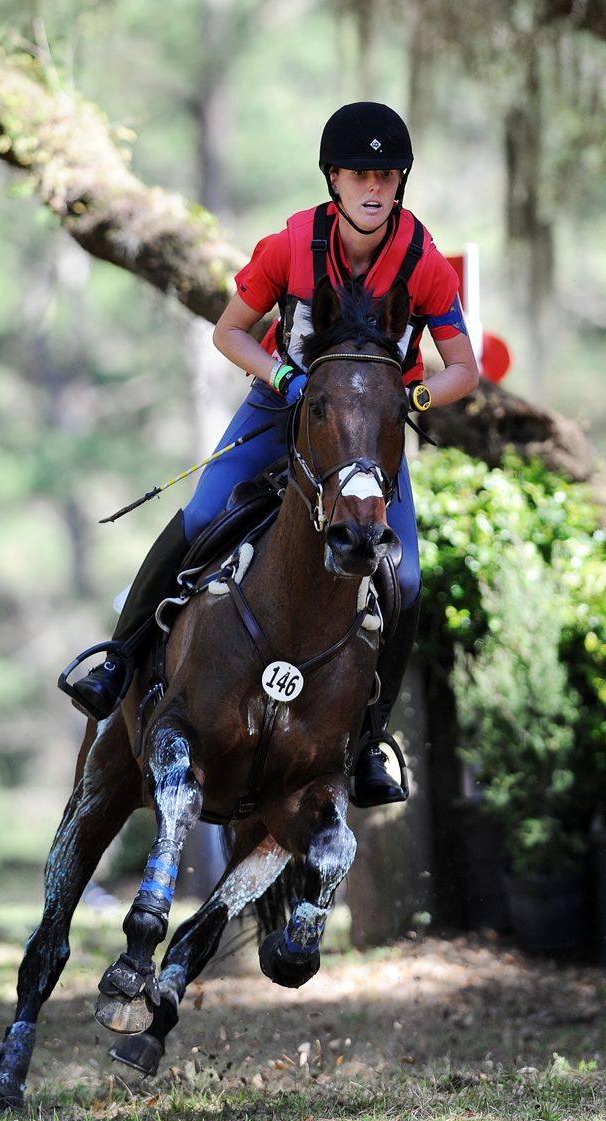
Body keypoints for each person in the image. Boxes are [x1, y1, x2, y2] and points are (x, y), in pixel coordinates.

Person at [70, 102, 479, 807]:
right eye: (359, 174)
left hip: (365, 433)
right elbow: (229, 333)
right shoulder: (289, 246)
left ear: (400, 182)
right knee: (201, 514)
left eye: (386, 174)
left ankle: (369, 741)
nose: (373, 188)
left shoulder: (425, 262)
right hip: (278, 406)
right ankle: (120, 660)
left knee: (405, 577)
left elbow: (463, 368)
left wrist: (408, 403)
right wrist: (281, 376)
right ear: (334, 179)